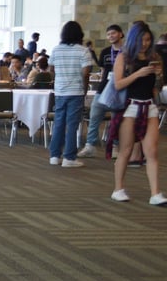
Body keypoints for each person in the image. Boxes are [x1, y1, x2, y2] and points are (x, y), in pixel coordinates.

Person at [108, 21, 165, 205]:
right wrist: (138, 73)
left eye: (148, 40)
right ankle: (118, 188)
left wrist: (159, 75)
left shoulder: (154, 56)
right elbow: (118, 84)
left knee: (152, 152)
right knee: (126, 150)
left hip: (149, 107)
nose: (145, 43)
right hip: (129, 107)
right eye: (142, 40)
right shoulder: (124, 57)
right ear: (133, 40)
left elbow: (156, 87)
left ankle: (155, 193)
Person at [47, 20, 92, 169]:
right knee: (72, 124)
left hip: (60, 91)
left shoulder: (56, 50)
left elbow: (50, 69)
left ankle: (54, 156)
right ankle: (69, 157)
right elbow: (86, 73)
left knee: (59, 123)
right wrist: (84, 89)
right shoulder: (83, 50)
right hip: (76, 91)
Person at [79, 24, 124, 158]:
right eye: (109, 34)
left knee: (117, 119)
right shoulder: (105, 52)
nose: (111, 36)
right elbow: (103, 70)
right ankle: (90, 145)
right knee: (94, 115)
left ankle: (115, 145)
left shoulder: (127, 51)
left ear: (121, 34)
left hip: (121, 89)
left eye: (114, 33)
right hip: (104, 88)